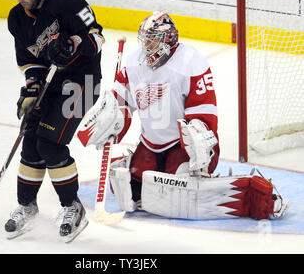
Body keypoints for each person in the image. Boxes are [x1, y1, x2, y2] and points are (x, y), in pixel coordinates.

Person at [77, 11, 289, 220]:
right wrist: (112, 120)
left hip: (182, 145)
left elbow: (204, 114)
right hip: (151, 143)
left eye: (152, 39)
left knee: (178, 189)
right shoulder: (134, 62)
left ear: (168, 39)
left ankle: (236, 190)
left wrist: (197, 140)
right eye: (145, 39)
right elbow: (121, 104)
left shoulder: (190, 61)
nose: (146, 45)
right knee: (130, 189)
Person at [5, 0, 104, 242]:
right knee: (31, 138)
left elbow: (97, 37)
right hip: (54, 82)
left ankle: (73, 208)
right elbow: (31, 62)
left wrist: (74, 44)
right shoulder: (17, 18)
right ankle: (27, 207)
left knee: (50, 142)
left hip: (84, 79)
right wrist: (32, 89)